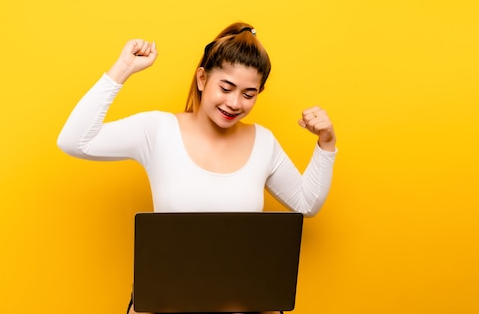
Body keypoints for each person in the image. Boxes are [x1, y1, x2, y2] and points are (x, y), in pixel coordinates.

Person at [57, 22, 337, 314]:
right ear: (202, 78)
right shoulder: (158, 130)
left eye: (248, 94)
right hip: (164, 305)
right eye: (226, 87)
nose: (234, 103)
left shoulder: (263, 142)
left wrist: (326, 142)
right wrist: (123, 68)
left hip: (239, 305)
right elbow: (74, 141)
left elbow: (307, 203)